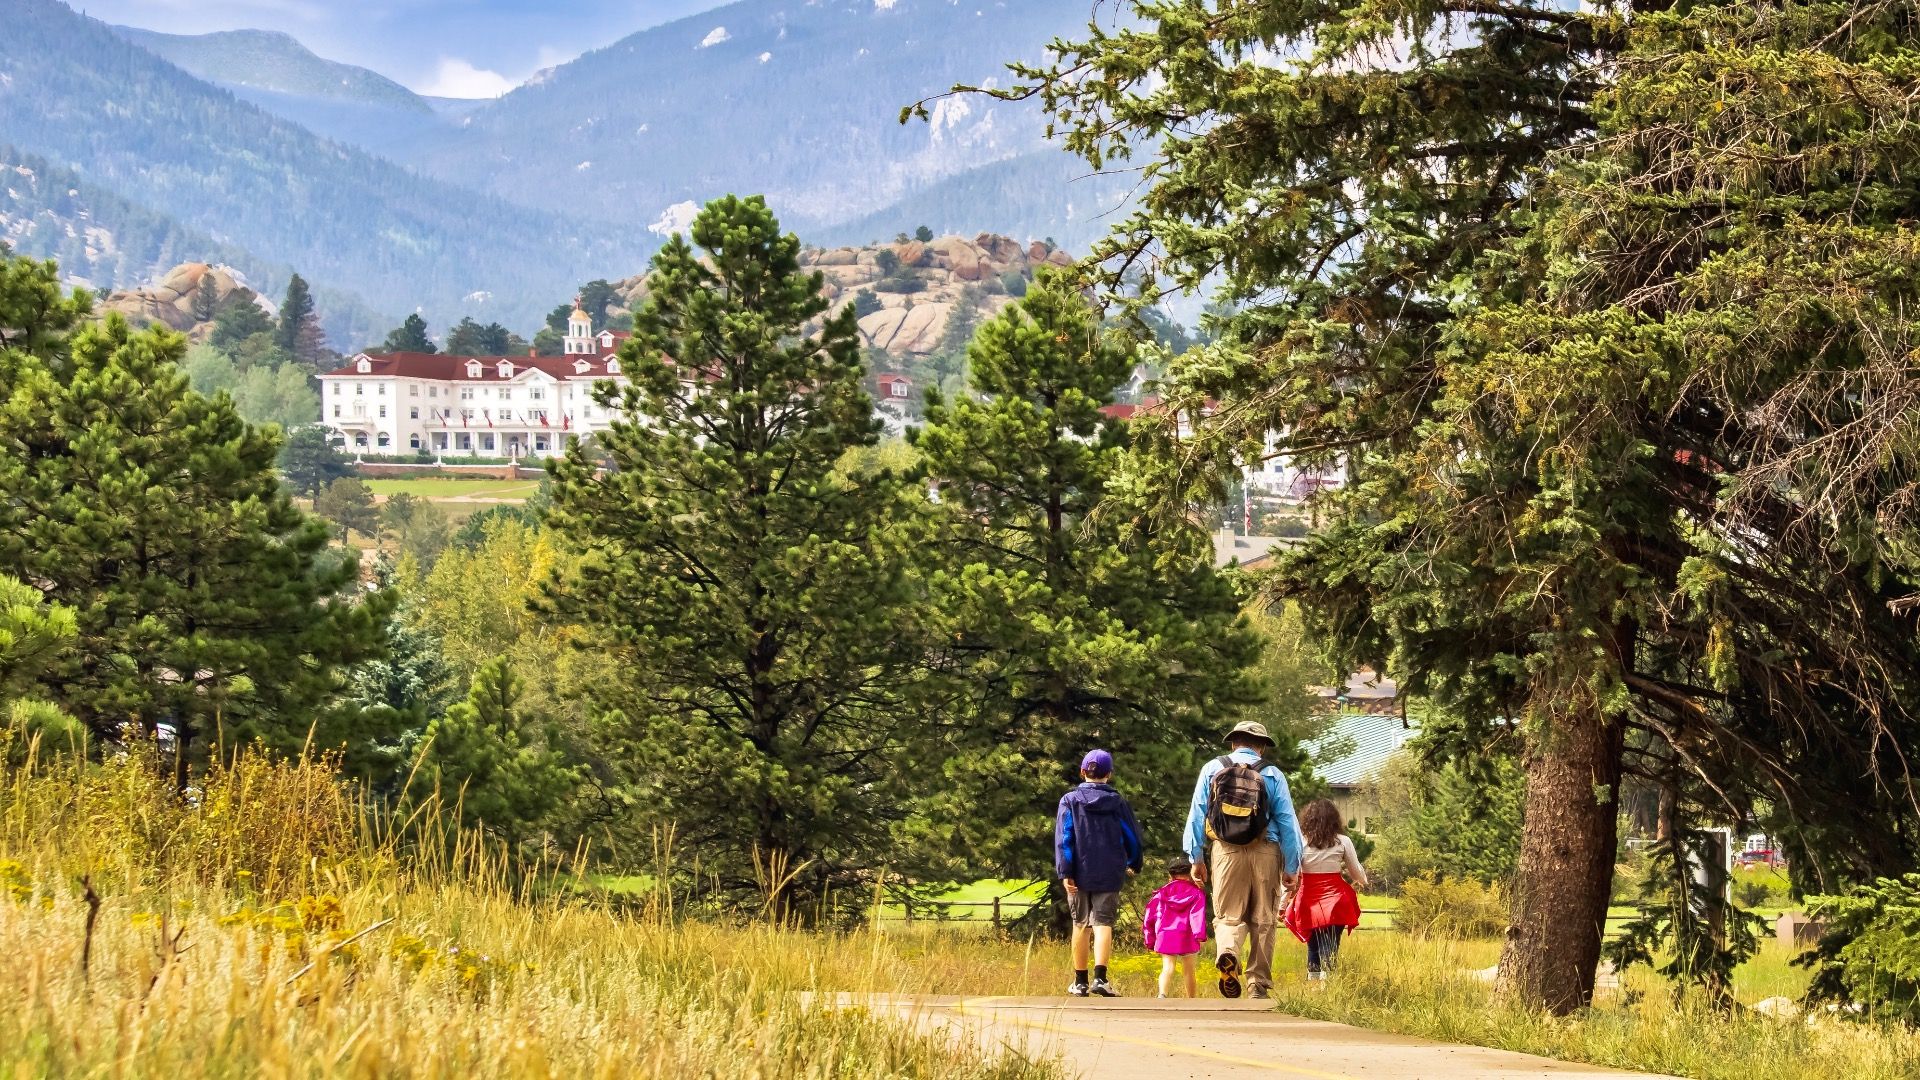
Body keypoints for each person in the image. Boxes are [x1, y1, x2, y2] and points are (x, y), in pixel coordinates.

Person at [1183, 720, 1302, 999]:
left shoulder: (1212, 768)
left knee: (1228, 915)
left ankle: (1228, 952)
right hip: (1266, 850)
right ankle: (1257, 984)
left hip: (1226, 851)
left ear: (1234, 742)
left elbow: (1197, 815)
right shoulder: (1272, 773)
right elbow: (1287, 822)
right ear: (1262, 747)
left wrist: (1196, 857)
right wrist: (1292, 866)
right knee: (1264, 918)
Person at [1055, 748, 1143, 997]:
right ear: (1109, 774)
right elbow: (1132, 836)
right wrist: (1134, 861)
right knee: (1103, 924)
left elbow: (1065, 838)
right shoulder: (1118, 802)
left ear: (1083, 771)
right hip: (1109, 870)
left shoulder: (1069, 800)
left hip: (1078, 872)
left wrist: (1065, 871)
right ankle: (1100, 979)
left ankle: (1080, 982)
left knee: (1080, 923)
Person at [1284, 798, 1368, 982]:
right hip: (1336, 900)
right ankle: (1328, 986)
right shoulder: (1343, 841)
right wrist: (1364, 880)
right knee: (1330, 945)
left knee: (1313, 946)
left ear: (1307, 819)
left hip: (1308, 901)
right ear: (1334, 819)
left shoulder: (1300, 842)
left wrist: (1283, 903)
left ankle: (1314, 987)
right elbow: (1356, 872)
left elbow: (1292, 875)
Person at [1142, 854, 1207, 998]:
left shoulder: (1161, 893)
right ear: (1190, 873)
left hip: (1166, 934)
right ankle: (1191, 999)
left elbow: (1149, 918)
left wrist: (1150, 939)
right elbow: (1197, 916)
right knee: (1189, 970)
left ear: (1170, 874)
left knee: (1167, 967)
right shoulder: (1197, 893)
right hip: (1187, 934)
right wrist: (1200, 935)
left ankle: (1162, 994)